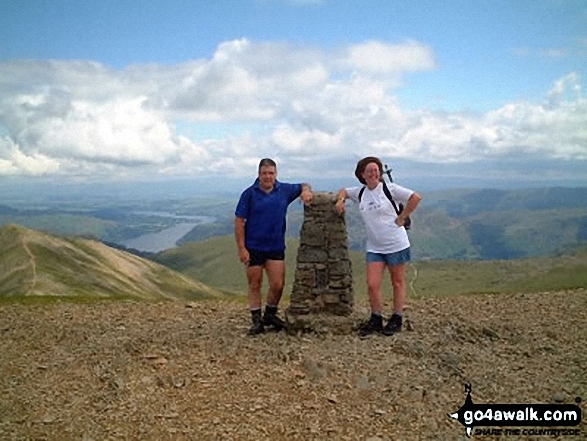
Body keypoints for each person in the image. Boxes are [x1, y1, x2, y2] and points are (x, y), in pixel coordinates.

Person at [335, 157, 421, 336]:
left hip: (396, 244)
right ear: (362, 175)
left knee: (397, 282)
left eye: (376, 170)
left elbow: (415, 197)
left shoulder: (390, 189)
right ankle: (376, 318)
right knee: (372, 284)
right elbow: (343, 191)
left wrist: (403, 216)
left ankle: (397, 318)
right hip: (375, 247)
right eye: (369, 171)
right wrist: (340, 200)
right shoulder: (360, 193)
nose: (374, 173)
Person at [235, 158, 313, 335]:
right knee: (255, 284)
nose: (267, 176)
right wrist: (242, 248)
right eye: (264, 173)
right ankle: (256, 321)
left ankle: (270, 314)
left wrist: (306, 191)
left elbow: (304, 185)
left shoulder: (284, 190)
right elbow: (239, 221)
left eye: (271, 173)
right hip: (253, 246)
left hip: (275, 246)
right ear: (258, 174)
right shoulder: (249, 194)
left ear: (275, 174)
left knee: (277, 284)